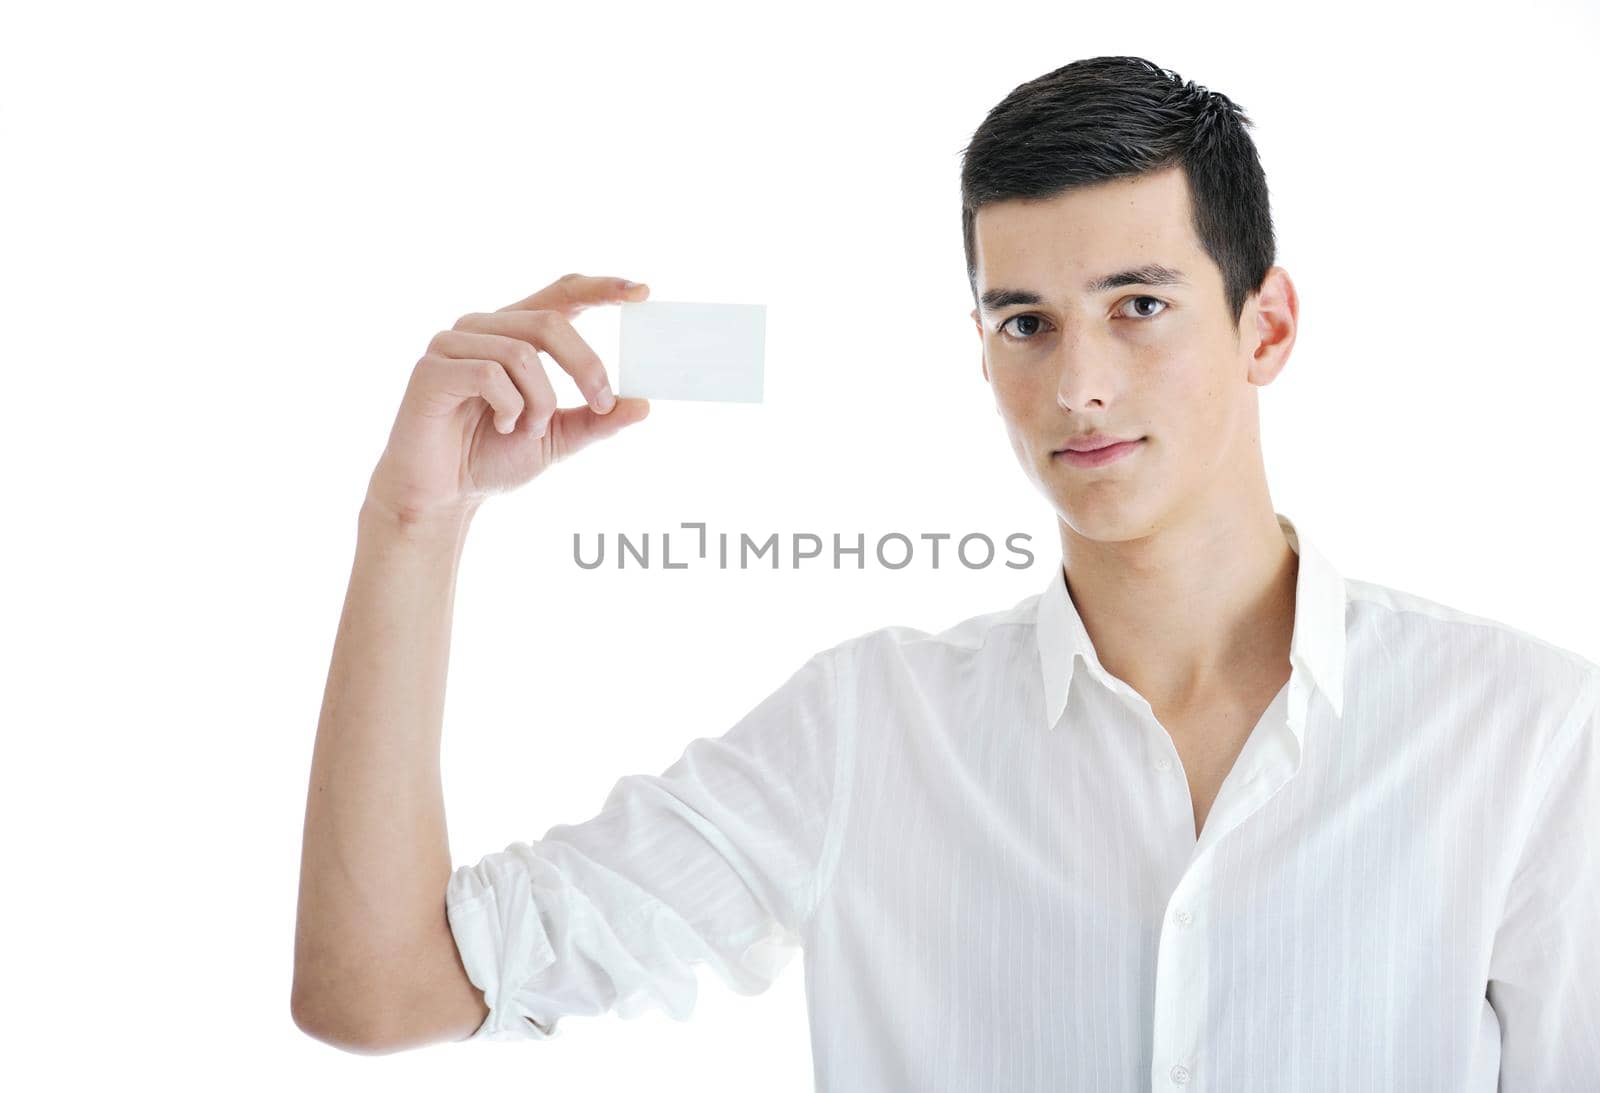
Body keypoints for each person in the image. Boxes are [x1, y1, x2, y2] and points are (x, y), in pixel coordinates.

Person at [291, 55, 1600, 1089]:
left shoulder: (1530, 736)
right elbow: (379, 986)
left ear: (1268, 326)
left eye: (1139, 305)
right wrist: (414, 523)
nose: (1078, 381)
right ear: (982, 351)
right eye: (1025, 322)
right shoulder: (871, 731)